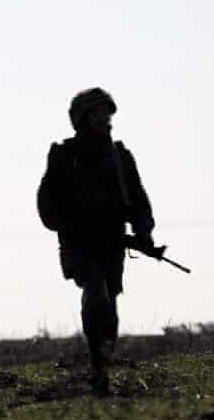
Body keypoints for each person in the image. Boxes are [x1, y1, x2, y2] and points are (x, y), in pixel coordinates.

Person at [37, 87, 164, 395]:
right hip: (78, 243)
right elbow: (47, 204)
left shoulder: (120, 156)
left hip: (112, 241)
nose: (103, 119)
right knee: (95, 292)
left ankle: (102, 362)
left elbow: (137, 199)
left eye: (106, 113)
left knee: (111, 299)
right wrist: (69, 226)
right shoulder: (64, 155)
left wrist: (144, 233)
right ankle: (97, 362)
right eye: (96, 113)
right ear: (82, 118)